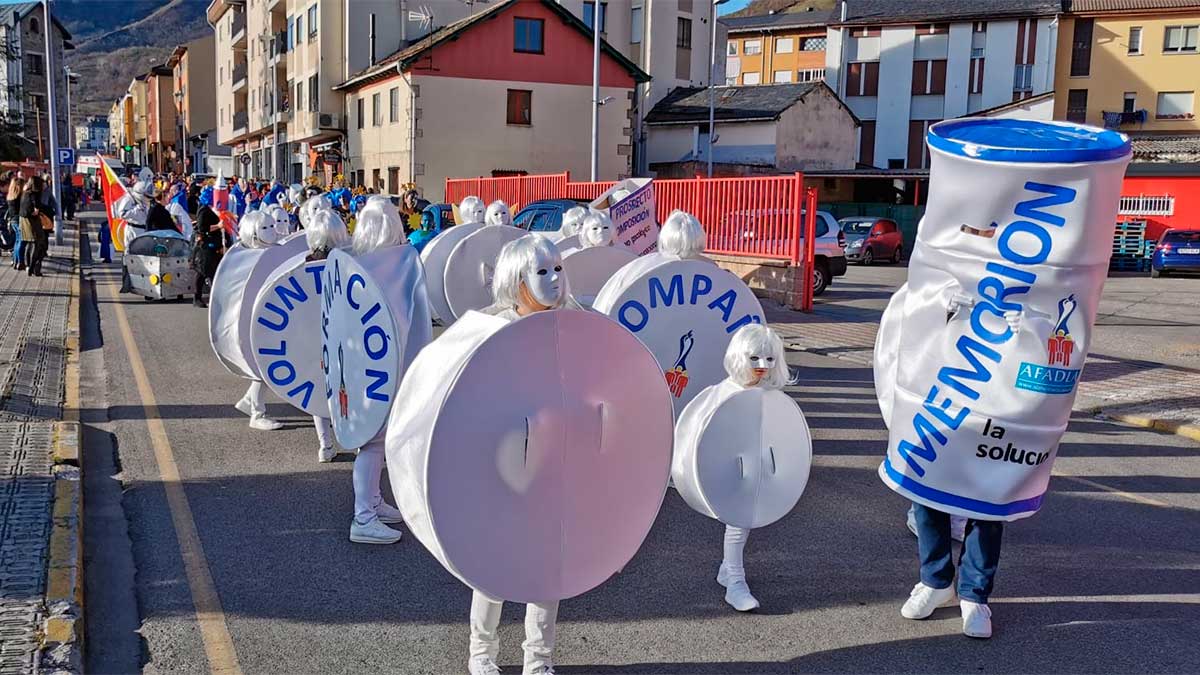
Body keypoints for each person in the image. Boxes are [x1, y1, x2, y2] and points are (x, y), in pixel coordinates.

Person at [467, 234, 582, 675]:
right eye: (541, 271)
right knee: (493, 563)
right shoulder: (489, 330)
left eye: (558, 269)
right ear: (517, 279)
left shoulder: (577, 324)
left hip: (555, 465)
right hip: (502, 465)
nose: (554, 279)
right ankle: (482, 653)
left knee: (546, 564)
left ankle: (538, 659)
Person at [346, 197, 411, 545]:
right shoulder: (376, 265)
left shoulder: (357, 263)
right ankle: (363, 517)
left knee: (378, 440)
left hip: (374, 363)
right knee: (371, 442)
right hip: (371, 365)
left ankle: (372, 501)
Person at [304, 209, 351, 462]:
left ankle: (325, 444)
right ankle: (354, 439)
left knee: (319, 390)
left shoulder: (307, 261)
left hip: (315, 334)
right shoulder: (348, 261)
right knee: (349, 387)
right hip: (344, 334)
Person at [232, 211, 284, 432]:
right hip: (255, 323)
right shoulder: (246, 258)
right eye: (265, 228)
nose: (272, 231)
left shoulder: (273, 252)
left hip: (272, 320)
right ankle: (257, 412)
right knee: (263, 367)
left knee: (264, 366)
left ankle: (249, 400)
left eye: (273, 225)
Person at [190, 188, 223, 308]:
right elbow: (202, 228)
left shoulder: (212, 209)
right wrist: (218, 226)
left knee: (209, 271)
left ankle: (211, 297)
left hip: (214, 243)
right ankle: (197, 297)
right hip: (205, 244)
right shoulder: (204, 209)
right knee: (203, 272)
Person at [117, 181, 152, 292]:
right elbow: (121, 213)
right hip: (133, 229)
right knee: (130, 255)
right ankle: (128, 282)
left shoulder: (144, 202)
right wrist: (136, 211)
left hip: (144, 229)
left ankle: (142, 283)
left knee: (144, 257)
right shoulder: (129, 199)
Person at [19, 176, 48, 277]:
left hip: (23, 219)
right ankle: (32, 267)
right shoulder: (35, 194)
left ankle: (28, 267)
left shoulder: (25, 192)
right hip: (32, 221)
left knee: (29, 243)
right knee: (38, 242)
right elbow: (36, 210)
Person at [6, 173, 23, 268]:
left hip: (12, 220)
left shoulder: (10, 196)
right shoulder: (19, 197)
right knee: (21, 241)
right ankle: (20, 261)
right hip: (19, 220)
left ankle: (15, 260)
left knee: (17, 241)